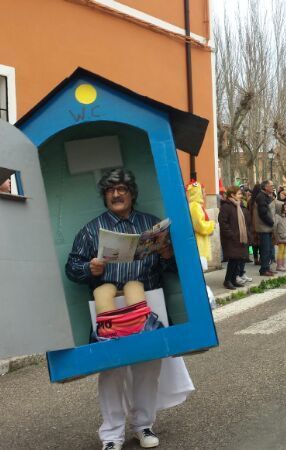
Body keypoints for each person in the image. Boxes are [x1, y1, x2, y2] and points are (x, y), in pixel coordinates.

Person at [65, 168, 194, 449]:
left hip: (146, 307)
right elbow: (72, 268)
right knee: (112, 371)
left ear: (132, 193)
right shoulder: (91, 230)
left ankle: (143, 425)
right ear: (104, 196)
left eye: (121, 189)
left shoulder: (151, 224)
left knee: (148, 367)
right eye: (110, 191)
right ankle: (111, 435)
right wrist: (89, 267)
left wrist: (168, 254)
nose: (116, 194)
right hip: (108, 311)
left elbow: (175, 269)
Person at [218, 186, 249, 290]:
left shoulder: (238, 206)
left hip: (239, 238)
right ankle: (227, 281)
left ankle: (233, 280)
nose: (241, 195)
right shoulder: (226, 207)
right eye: (239, 194)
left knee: (238, 259)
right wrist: (231, 235)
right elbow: (223, 223)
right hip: (231, 239)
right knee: (233, 260)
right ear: (232, 195)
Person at [186, 181, 215, 271]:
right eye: (204, 192)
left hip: (199, 243)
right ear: (198, 193)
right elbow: (199, 225)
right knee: (199, 270)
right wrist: (211, 225)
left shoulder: (196, 205)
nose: (205, 194)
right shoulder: (195, 206)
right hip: (199, 244)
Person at [253, 180, 276, 277]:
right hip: (264, 227)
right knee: (265, 249)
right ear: (265, 187)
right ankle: (264, 269)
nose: (273, 187)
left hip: (267, 227)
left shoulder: (266, 196)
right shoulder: (261, 197)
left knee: (268, 248)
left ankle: (267, 268)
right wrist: (271, 222)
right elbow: (263, 213)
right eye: (271, 185)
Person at [273, 192, 286, 271]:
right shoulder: (277, 216)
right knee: (280, 251)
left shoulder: (284, 216)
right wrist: (276, 237)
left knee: (284, 251)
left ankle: (282, 265)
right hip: (281, 236)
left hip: (285, 235)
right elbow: (274, 228)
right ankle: (279, 266)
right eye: (284, 207)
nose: (285, 209)